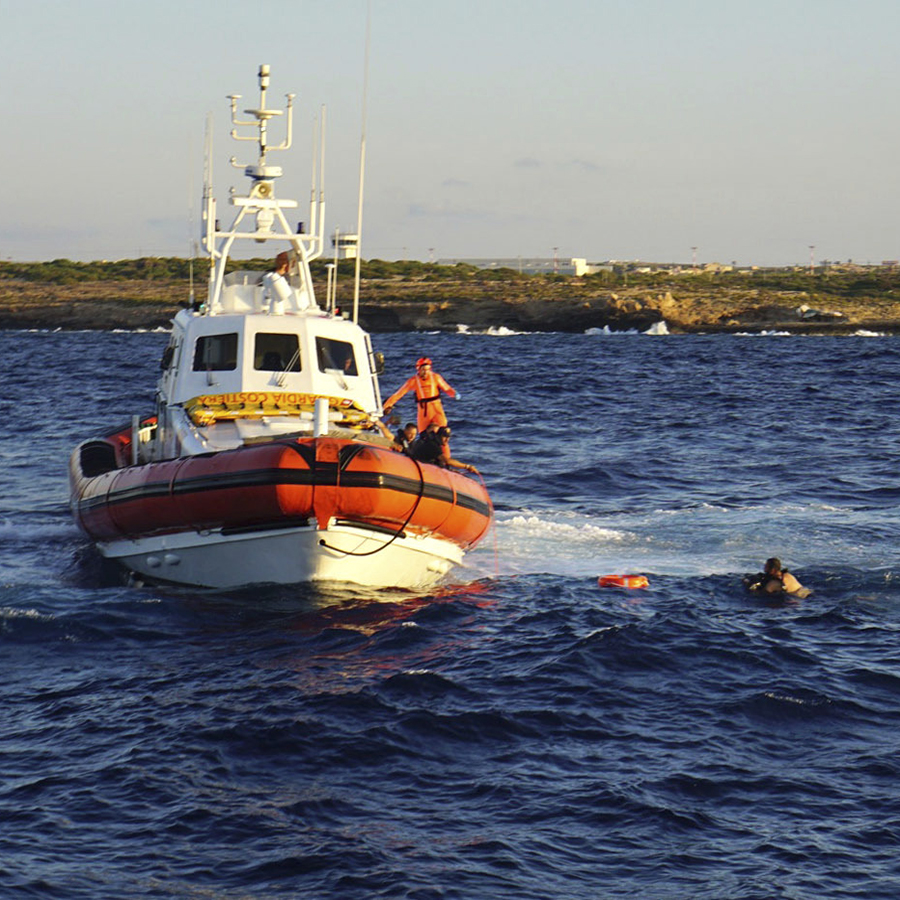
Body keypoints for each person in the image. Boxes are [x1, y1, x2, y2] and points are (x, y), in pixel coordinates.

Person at [383, 357, 459, 434]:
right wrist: (386, 405)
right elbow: (399, 394)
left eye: (428, 369)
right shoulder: (413, 381)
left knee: (443, 431)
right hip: (424, 410)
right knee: (423, 433)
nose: (426, 372)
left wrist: (454, 393)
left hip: (437, 408)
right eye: (423, 370)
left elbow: (446, 388)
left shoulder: (436, 377)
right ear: (418, 369)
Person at [410, 426, 478, 474]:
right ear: (439, 436)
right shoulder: (432, 445)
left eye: (448, 437)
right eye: (444, 436)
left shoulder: (432, 443)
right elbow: (447, 461)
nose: (447, 439)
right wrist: (467, 466)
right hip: (418, 470)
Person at [745, 557, 812, 598]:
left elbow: (759, 594)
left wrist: (748, 585)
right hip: (806, 592)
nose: (764, 570)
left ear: (773, 570)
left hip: (795, 600)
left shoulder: (773, 584)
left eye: (766, 567)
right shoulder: (788, 575)